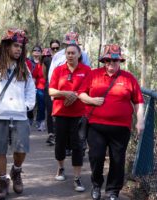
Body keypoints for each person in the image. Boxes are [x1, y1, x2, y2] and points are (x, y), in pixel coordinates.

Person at [78, 44, 144, 200]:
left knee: (117, 160)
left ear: (119, 61)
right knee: (96, 156)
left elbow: (138, 102)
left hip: (121, 128)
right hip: (96, 126)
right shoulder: (93, 75)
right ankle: (96, 185)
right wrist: (92, 100)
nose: (110, 65)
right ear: (103, 61)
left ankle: (113, 190)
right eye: (107, 61)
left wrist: (140, 121)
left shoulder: (129, 78)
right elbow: (80, 94)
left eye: (114, 61)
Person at [0, 28, 35, 200]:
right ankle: (3, 181)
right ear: (6, 47)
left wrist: (26, 106)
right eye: (15, 45)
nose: (19, 49)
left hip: (20, 115)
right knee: (0, 150)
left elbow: (30, 90)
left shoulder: (24, 68)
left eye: (21, 46)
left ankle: (16, 171)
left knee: (21, 149)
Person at [49, 43, 91, 192]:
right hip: (60, 112)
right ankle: (60, 168)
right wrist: (65, 94)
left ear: (79, 55)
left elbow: (88, 89)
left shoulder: (86, 70)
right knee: (60, 143)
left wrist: (74, 95)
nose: (70, 55)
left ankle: (77, 177)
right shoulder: (58, 70)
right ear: (65, 55)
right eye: (68, 53)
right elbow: (51, 90)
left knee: (78, 145)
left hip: (79, 114)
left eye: (73, 53)